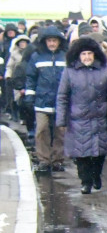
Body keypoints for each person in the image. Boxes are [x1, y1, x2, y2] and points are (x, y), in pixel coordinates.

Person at [56, 37, 107, 194]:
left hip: (100, 117)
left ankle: (96, 176)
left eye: (90, 53)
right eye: (83, 54)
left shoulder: (105, 70)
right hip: (78, 119)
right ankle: (85, 181)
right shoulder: (70, 71)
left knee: (100, 153)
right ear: (78, 56)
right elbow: (62, 96)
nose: (87, 57)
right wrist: (61, 119)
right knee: (81, 154)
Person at [25, 25, 69, 174]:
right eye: (49, 40)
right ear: (44, 41)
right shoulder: (36, 57)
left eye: (54, 40)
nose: (52, 43)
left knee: (60, 132)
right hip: (42, 101)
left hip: (61, 101)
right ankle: (44, 159)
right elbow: (31, 78)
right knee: (42, 130)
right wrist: (30, 96)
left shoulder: (65, 56)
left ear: (59, 41)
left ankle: (57, 160)